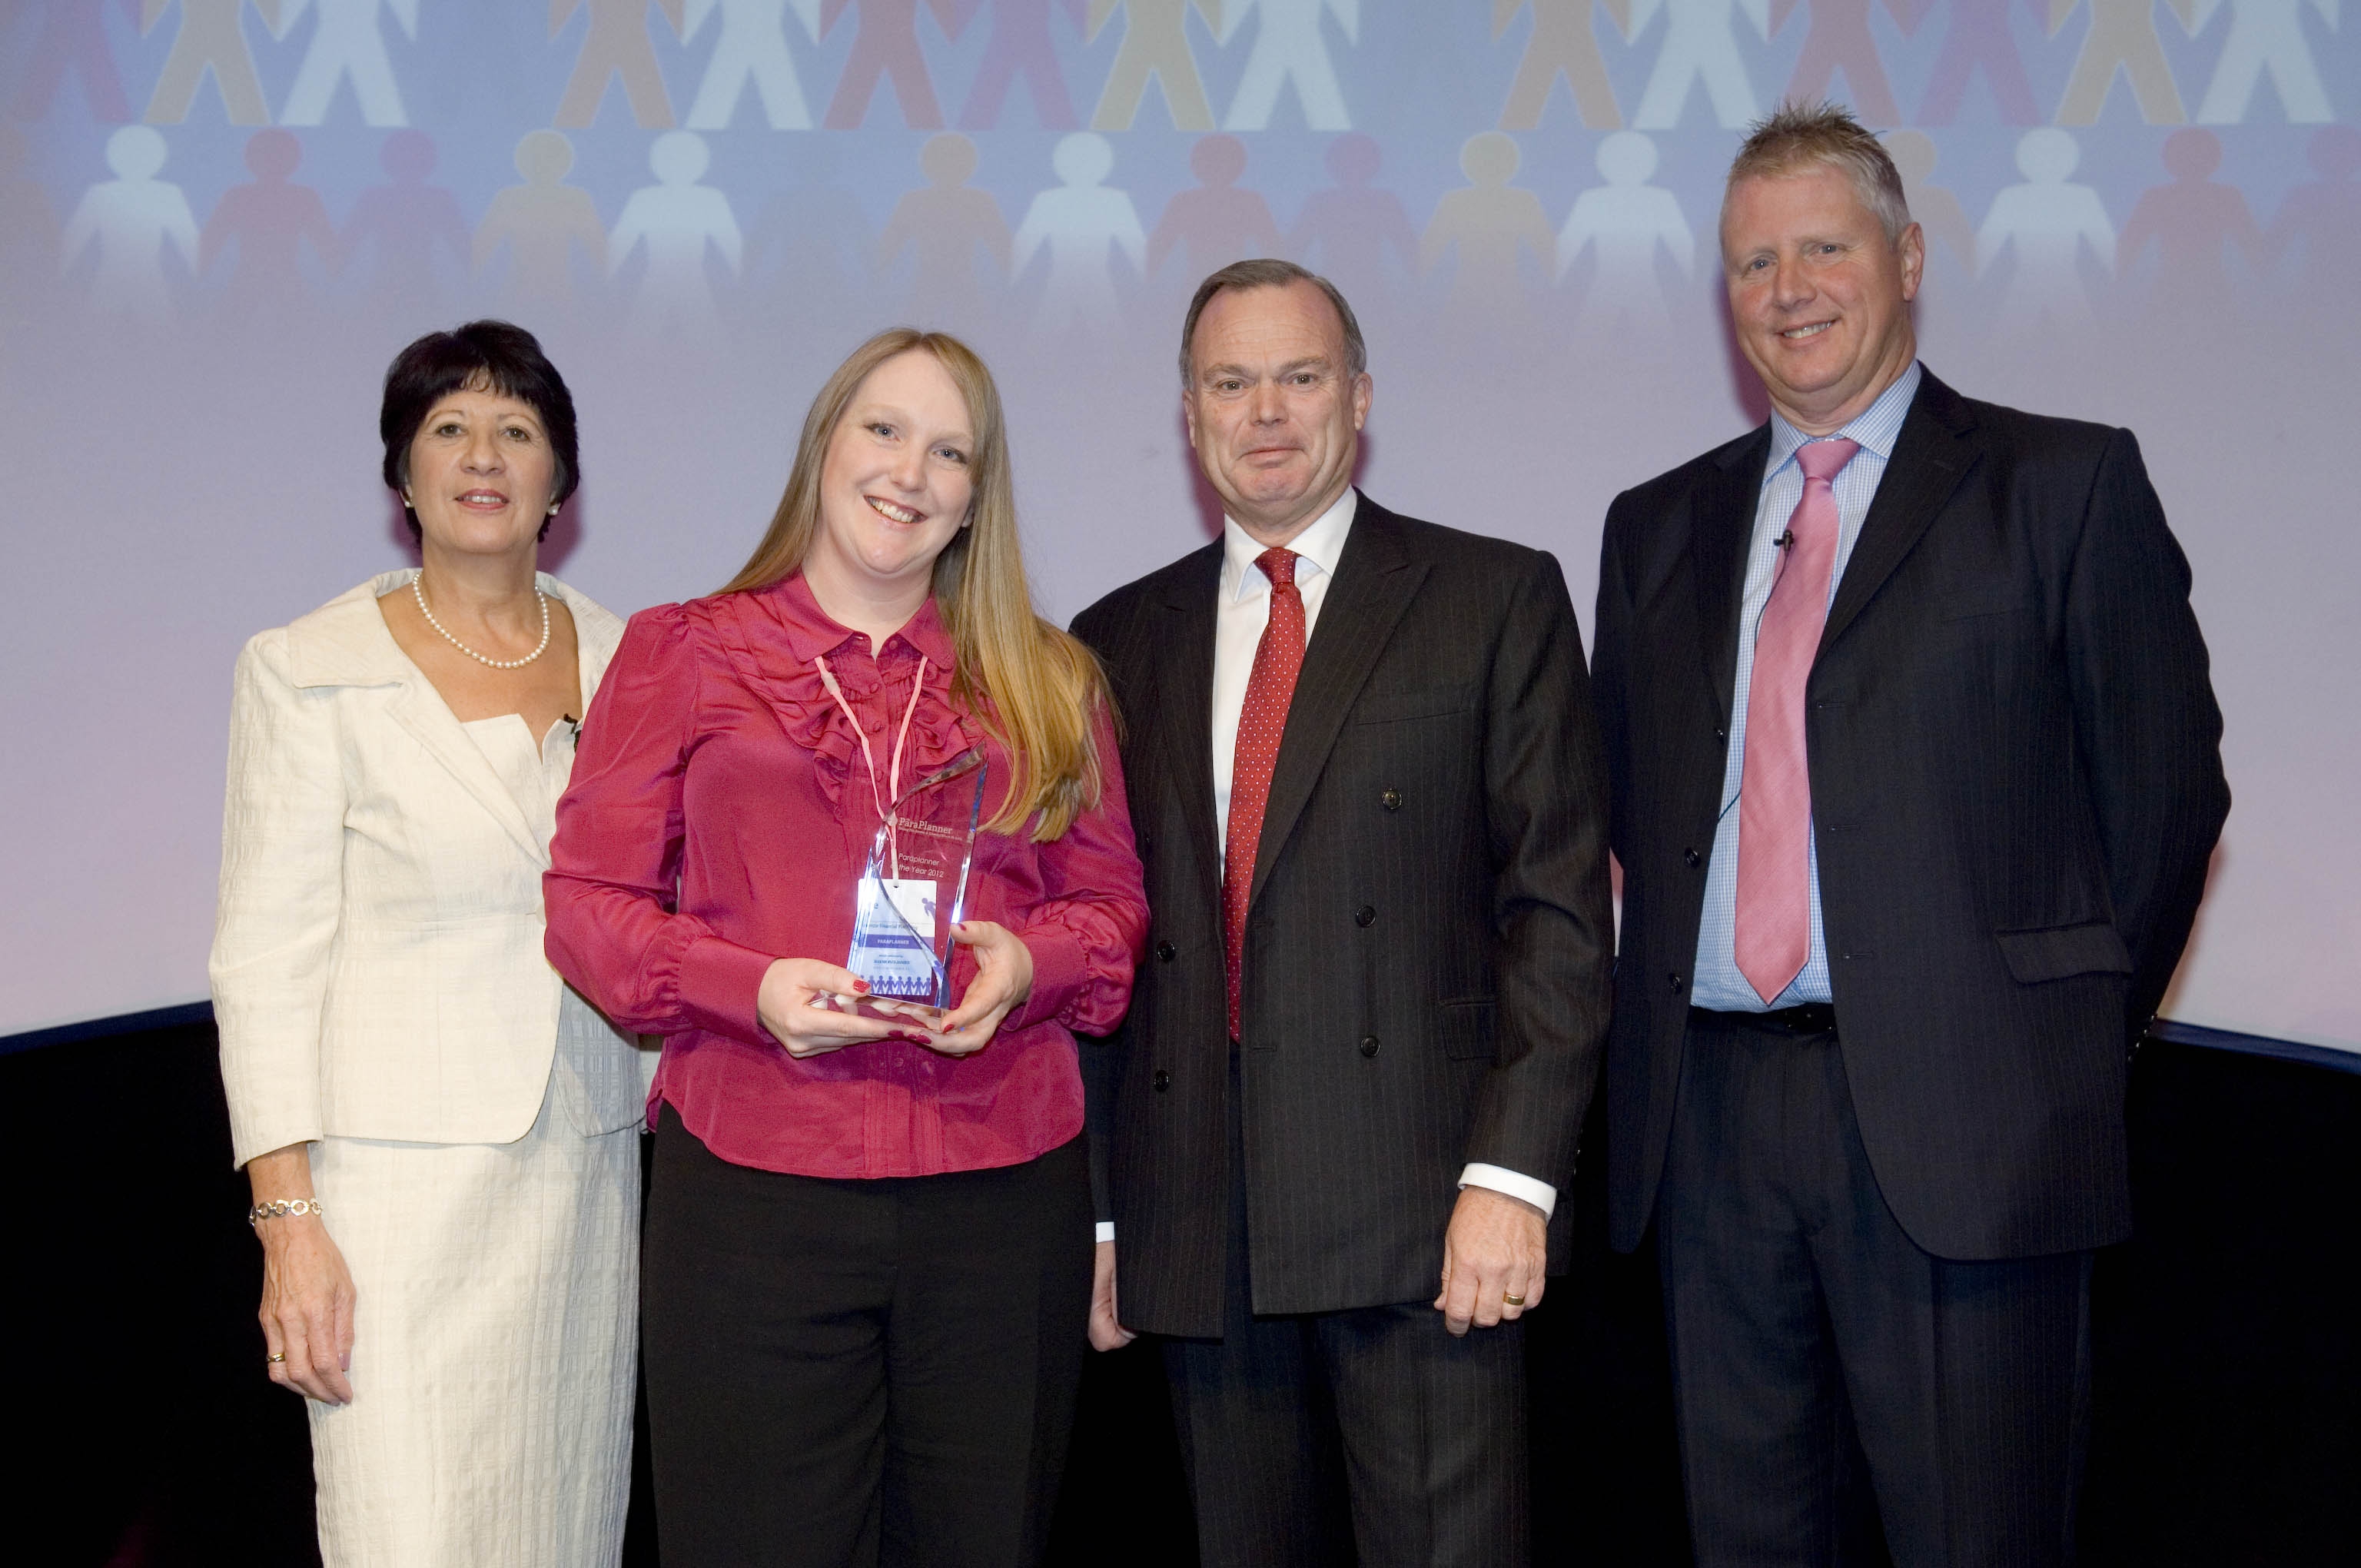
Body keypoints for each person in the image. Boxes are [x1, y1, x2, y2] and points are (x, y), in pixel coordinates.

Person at [1590, 103, 2230, 1564]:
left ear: (1912, 258)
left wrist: (2039, 1040)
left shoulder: (2060, 487)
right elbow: (1629, 794)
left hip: (1971, 1133)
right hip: (1711, 1138)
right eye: (1754, 262)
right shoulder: (1657, 525)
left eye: (1825, 246)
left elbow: (2165, 798)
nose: (1789, 289)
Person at [543, 328, 1147, 1568]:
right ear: (825, 443)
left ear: (977, 496)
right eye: (883, 430)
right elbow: (587, 907)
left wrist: (1028, 969)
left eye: (949, 451)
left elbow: (1113, 909)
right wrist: (747, 988)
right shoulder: (683, 650)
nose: (909, 472)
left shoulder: (1049, 676)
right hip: (755, 1198)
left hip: (1000, 1203)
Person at [1070, 258, 1615, 1566]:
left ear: (1359, 397)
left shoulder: (1491, 598)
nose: (1267, 411)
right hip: (1200, 1223)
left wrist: (1513, 1180)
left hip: (1429, 1217)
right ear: (1188, 414)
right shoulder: (1110, 639)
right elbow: (1095, 944)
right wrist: (1101, 1218)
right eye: (1231, 382)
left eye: (1300, 377)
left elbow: (1556, 912)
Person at [211, 321, 647, 1565]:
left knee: (565, 1527)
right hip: (390, 1202)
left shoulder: (636, 663)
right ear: (403, 474)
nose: (484, 454)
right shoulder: (309, 668)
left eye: (518, 430)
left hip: (581, 1171)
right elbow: (264, 958)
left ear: (561, 480)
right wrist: (287, 1222)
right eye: (449, 427)